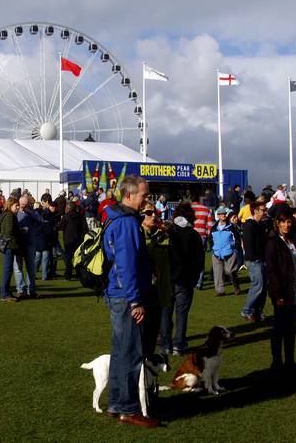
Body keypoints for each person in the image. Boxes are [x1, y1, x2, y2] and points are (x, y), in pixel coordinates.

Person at [102, 175, 158, 428]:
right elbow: (126, 266)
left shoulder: (119, 218)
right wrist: (135, 301)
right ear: (129, 195)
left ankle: (117, 404)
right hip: (127, 297)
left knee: (121, 352)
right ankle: (127, 408)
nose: (148, 198)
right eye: (144, 195)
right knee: (132, 353)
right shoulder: (125, 223)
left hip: (119, 294)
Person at [266, 212, 296, 376]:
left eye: (289, 222)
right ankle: (276, 361)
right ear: (277, 223)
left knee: (291, 328)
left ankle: (290, 360)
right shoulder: (272, 242)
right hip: (282, 291)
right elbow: (272, 270)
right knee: (279, 329)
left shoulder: (294, 239)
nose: (286, 225)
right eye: (283, 222)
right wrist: (277, 295)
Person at [160, 203, 204, 357]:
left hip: (168, 279)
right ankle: (179, 344)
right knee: (181, 313)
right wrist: (194, 279)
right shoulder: (194, 234)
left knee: (166, 312)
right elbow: (200, 260)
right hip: (185, 280)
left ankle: (165, 344)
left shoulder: (168, 232)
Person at [140, 201, 170, 358]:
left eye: (154, 213)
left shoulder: (162, 234)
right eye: (148, 213)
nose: (153, 216)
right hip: (141, 296)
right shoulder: (137, 234)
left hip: (159, 294)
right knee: (139, 345)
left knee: (150, 345)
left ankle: (148, 380)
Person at [241, 201, 268, 321]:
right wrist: (254, 257)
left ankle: (258, 311)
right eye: (263, 210)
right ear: (256, 211)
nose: (265, 212)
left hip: (262, 258)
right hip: (254, 260)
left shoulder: (261, 224)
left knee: (263, 287)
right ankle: (247, 309)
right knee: (258, 285)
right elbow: (248, 244)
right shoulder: (249, 225)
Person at [208, 206, 241, 296]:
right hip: (216, 253)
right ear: (218, 216)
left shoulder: (231, 227)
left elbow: (237, 239)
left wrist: (234, 248)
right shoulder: (214, 228)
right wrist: (213, 247)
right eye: (221, 214)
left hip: (229, 252)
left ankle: (236, 286)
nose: (223, 215)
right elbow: (210, 239)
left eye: (224, 214)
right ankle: (220, 291)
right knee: (218, 273)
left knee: (230, 271)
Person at [0, 197, 23, 303]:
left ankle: (7, 292)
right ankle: (5, 294)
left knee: (8, 270)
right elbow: (9, 232)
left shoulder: (8, 215)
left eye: (18, 205)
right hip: (10, 246)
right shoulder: (9, 215)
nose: (18, 207)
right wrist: (20, 232)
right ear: (10, 205)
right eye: (16, 205)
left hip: (9, 245)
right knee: (7, 270)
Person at [60, 201, 87, 281]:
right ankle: (79, 274)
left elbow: (61, 226)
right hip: (78, 239)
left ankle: (68, 275)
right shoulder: (80, 216)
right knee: (77, 257)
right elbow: (84, 227)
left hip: (68, 240)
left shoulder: (66, 216)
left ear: (68, 208)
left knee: (69, 258)